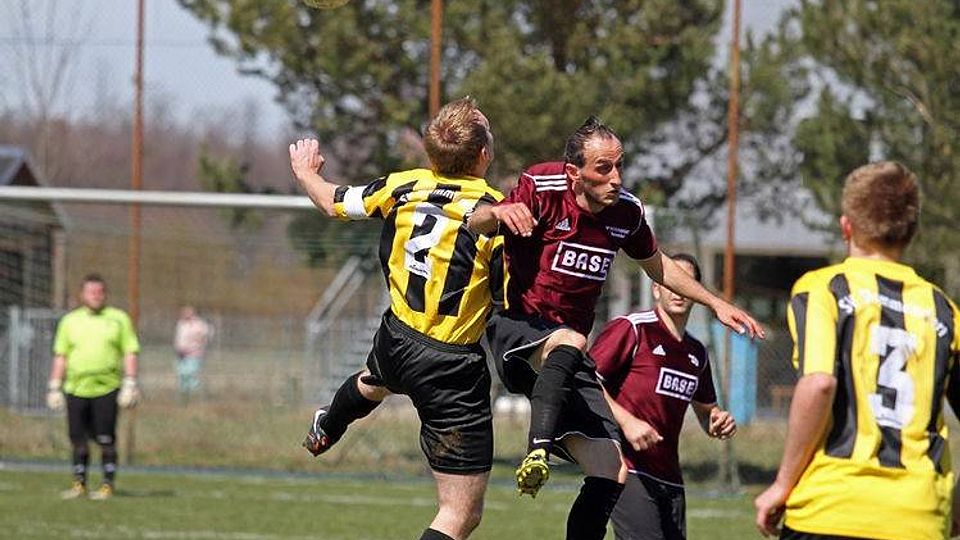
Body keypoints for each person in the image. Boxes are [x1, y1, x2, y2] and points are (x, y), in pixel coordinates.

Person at [468, 116, 763, 540]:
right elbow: (474, 223)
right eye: (604, 168)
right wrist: (496, 212)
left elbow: (658, 265)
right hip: (518, 328)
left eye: (620, 165)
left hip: (565, 356)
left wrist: (715, 303)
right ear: (575, 173)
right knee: (571, 338)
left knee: (612, 470)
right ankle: (537, 451)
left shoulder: (626, 212)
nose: (616, 177)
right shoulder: (541, 185)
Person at [289, 97, 503, 540]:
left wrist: (307, 173)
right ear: (483, 155)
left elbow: (332, 203)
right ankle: (330, 420)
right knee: (459, 514)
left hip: (397, 336)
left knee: (376, 380)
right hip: (450, 363)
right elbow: (511, 298)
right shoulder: (494, 209)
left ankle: (329, 422)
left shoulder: (404, 186)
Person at [754, 161, 960, 540]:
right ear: (911, 232)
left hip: (831, 507)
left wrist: (782, 485)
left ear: (846, 225)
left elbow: (818, 384)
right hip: (920, 515)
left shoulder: (824, 289)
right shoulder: (944, 309)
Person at [590, 253, 736, 540]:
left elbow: (708, 413)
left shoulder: (697, 353)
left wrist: (718, 421)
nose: (678, 291)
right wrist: (628, 422)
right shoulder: (633, 329)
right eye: (671, 282)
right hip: (626, 468)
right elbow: (585, 381)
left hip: (669, 476)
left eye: (686, 284)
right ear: (656, 287)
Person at [46, 273, 141, 500]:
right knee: (77, 439)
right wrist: (54, 385)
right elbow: (61, 355)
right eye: (91, 292)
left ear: (105, 294)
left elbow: (130, 351)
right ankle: (79, 484)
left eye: (100, 292)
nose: (96, 296)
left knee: (106, 438)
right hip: (76, 388)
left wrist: (130, 382)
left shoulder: (118, 319)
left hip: (107, 388)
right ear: (82, 294)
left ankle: (108, 484)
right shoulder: (70, 321)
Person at [173, 305, 213, 402]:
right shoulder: (181, 324)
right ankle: (184, 396)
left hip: (193, 354)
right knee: (181, 375)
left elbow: (207, 334)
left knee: (190, 374)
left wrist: (199, 340)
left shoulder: (199, 324)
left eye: (187, 312)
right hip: (181, 354)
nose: (185, 314)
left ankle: (199, 395)